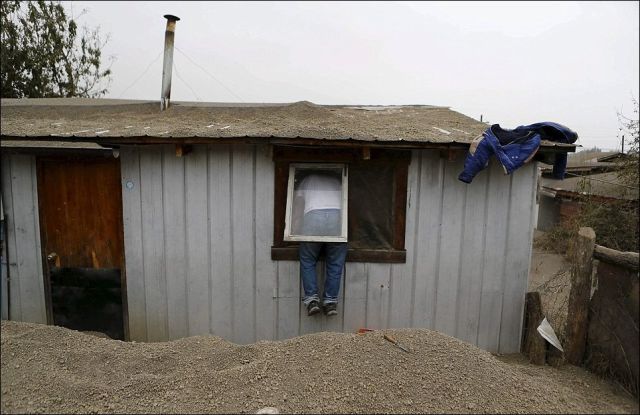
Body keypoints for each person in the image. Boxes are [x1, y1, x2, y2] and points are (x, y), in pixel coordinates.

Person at [295, 172, 348, 317]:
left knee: (308, 259)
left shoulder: (307, 179)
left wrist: (296, 229)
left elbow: (298, 205)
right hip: (338, 216)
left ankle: (312, 300)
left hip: (314, 216)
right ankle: (330, 302)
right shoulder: (337, 180)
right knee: (335, 262)